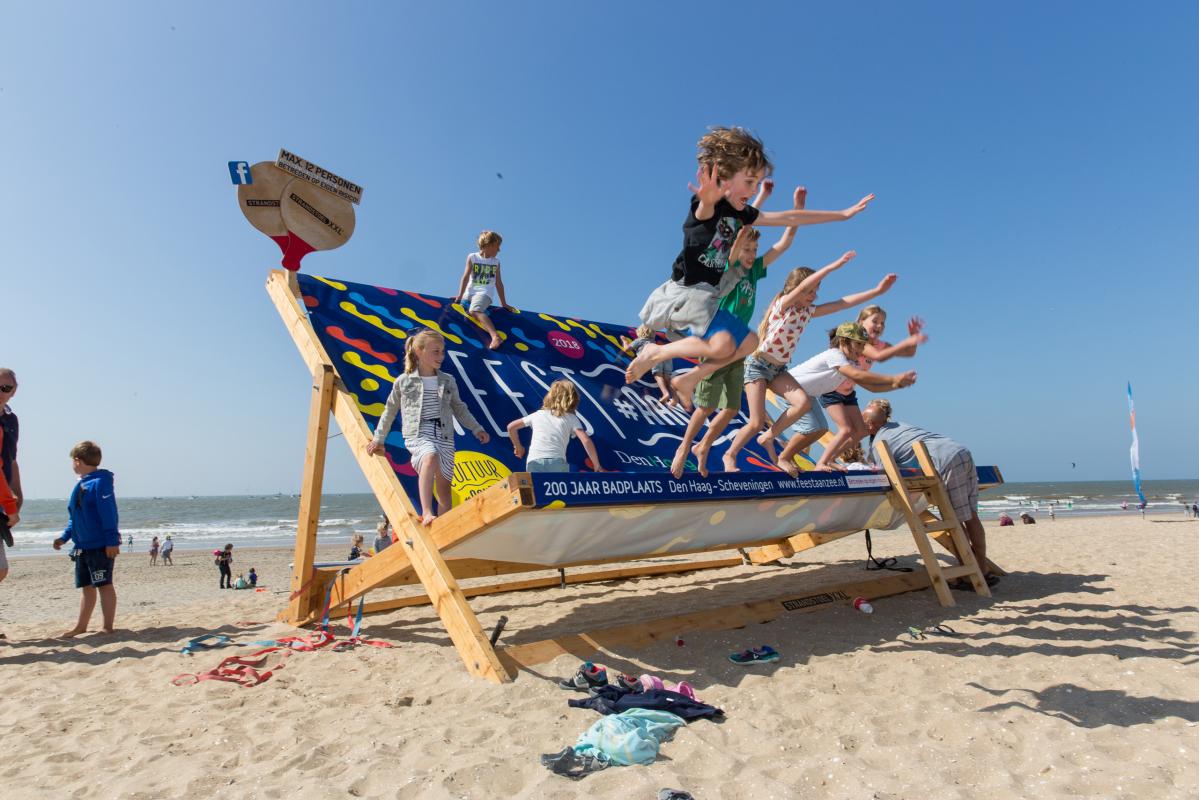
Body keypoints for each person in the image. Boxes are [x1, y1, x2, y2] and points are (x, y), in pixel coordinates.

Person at [626, 126, 873, 387]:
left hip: (708, 299)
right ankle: (656, 353)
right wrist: (708, 198)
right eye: (749, 182)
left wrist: (842, 214)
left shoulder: (742, 213)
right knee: (723, 345)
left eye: (757, 183)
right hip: (685, 294)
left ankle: (689, 380)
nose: (754, 190)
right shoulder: (709, 206)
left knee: (749, 342)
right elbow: (703, 210)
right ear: (724, 177)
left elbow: (789, 217)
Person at [721, 250, 883, 471]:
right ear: (797, 288)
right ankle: (729, 456)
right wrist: (835, 265)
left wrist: (876, 291)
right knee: (756, 422)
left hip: (778, 371)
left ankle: (770, 436)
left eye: (816, 291)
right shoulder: (783, 306)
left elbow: (842, 304)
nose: (814, 296)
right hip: (757, 366)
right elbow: (801, 289)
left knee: (803, 403)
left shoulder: (807, 312)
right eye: (811, 291)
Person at [668, 207, 800, 477]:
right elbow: (734, 246)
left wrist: (797, 211)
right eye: (747, 250)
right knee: (706, 405)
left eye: (755, 250)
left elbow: (783, 244)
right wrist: (742, 226)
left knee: (731, 408)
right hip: (719, 341)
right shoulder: (729, 269)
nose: (751, 255)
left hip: (739, 348)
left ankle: (703, 446)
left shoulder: (754, 272)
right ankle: (684, 446)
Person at [862, 399, 999, 587]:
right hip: (961, 452)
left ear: (870, 425)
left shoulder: (879, 442)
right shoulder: (899, 425)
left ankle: (969, 572)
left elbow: (884, 475)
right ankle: (982, 568)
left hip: (945, 461)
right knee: (971, 516)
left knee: (954, 521)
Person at [366, 329, 490, 525]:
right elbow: (389, 411)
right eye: (435, 351)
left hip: (444, 436)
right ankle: (426, 512)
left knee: (444, 490)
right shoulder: (404, 381)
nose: (441, 356)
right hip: (419, 434)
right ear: (419, 351)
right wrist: (378, 439)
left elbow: (459, 408)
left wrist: (476, 428)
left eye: (442, 351)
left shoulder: (447, 380)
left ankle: (445, 527)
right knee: (430, 456)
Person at [766, 323, 917, 475]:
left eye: (863, 345)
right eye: (858, 344)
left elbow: (871, 387)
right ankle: (783, 457)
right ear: (843, 341)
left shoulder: (851, 363)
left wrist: (896, 385)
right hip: (789, 389)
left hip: (807, 395)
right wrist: (893, 378)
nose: (862, 349)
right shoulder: (835, 354)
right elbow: (858, 375)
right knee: (812, 427)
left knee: (821, 428)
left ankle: (795, 457)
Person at [816, 305, 929, 465]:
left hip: (848, 392)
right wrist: (907, 342)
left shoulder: (879, 344)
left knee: (861, 431)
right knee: (846, 429)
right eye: (875, 321)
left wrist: (913, 337)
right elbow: (879, 356)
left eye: (883, 323)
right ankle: (822, 462)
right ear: (861, 322)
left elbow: (909, 353)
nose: (879, 326)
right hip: (831, 390)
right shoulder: (859, 343)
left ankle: (831, 459)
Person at [51, 440, 120, 636]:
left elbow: (109, 513)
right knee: (86, 587)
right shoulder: (81, 484)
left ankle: (107, 626)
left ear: (77, 461)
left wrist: (112, 541)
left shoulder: (100, 482)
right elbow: (75, 517)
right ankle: (81, 626)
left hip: (100, 545)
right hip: (82, 546)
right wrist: (64, 537)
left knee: (104, 584)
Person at [507, 380, 604, 472]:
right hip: (557, 461)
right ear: (573, 399)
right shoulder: (571, 418)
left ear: (549, 397)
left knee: (537, 485)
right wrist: (596, 464)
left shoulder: (537, 415)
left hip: (534, 461)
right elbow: (586, 440)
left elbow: (511, 427)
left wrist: (518, 447)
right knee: (558, 484)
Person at [455, 230, 511, 350]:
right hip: (470, 293)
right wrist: (460, 295)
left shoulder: (496, 262)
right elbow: (465, 277)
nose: (499, 250)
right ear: (487, 245)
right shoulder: (472, 257)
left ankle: (495, 336)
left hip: (484, 293)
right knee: (463, 307)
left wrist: (504, 303)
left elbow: (498, 282)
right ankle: (484, 315)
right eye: (497, 246)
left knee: (475, 310)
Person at [0, 368, 21, 638]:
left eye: (6, 388)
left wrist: (17, 492)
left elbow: (11, 460)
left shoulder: (11, 420)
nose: (1, 392)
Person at [621, 325, 679, 407]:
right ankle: (675, 398)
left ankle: (665, 393)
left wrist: (624, 341)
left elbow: (627, 349)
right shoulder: (653, 341)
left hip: (654, 355)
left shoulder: (640, 340)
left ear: (640, 332)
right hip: (665, 355)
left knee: (658, 375)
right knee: (667, 378)